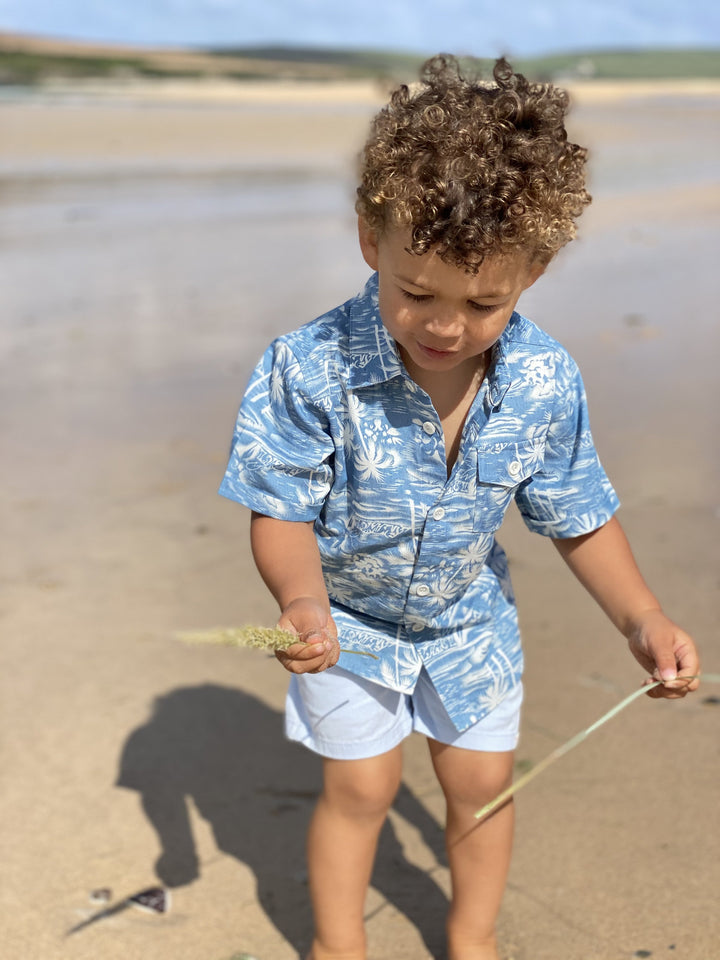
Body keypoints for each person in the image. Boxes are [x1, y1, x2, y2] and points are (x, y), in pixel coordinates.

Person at [219, 56, 700, 960]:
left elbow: (577, 512)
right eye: (417, 293)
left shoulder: (545, 380)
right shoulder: (308, 365)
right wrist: (298, 599)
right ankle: (337, 944)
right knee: (359, 793)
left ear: (536, 270)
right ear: (373, 238)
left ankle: (472, 940)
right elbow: (276, 507)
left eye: (484, 302)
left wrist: (643, 617)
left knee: (481, 787)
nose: (445, 326)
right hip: (346, 624)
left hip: (471, 621)